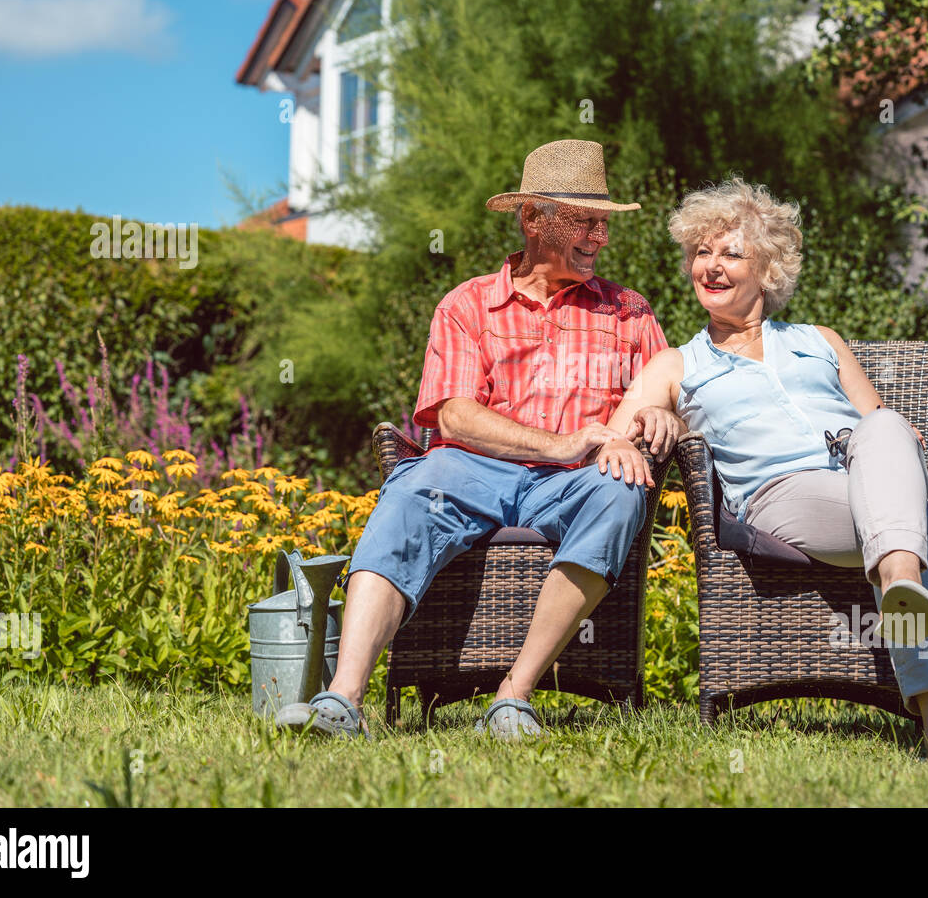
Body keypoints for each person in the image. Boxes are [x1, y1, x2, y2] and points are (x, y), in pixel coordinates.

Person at [276, 139, 683, 740]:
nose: (600, 236)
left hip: (576, 482)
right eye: (586, 221)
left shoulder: (628, 311)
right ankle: (343, 699)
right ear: (532, 219)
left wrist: (664, 417)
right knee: (410, 495)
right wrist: (556, 444)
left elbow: (663, 386)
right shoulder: (468, 305)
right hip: (472, 470)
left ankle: (513, 696)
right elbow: (455, 417)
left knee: (619, 494)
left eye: (604, 223)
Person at [604, 177, 928, 764]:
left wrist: (894, 435)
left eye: (731, 253)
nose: (711, 266)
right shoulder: (678, 363)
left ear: (769, 271)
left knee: (886, 427)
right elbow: (618, 435)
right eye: (701, 253)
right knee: (909, 518)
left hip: (868, 485)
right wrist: (661, 420)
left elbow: (883, 426)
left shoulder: (822, 342)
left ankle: (904, 593)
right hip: (781, 498)